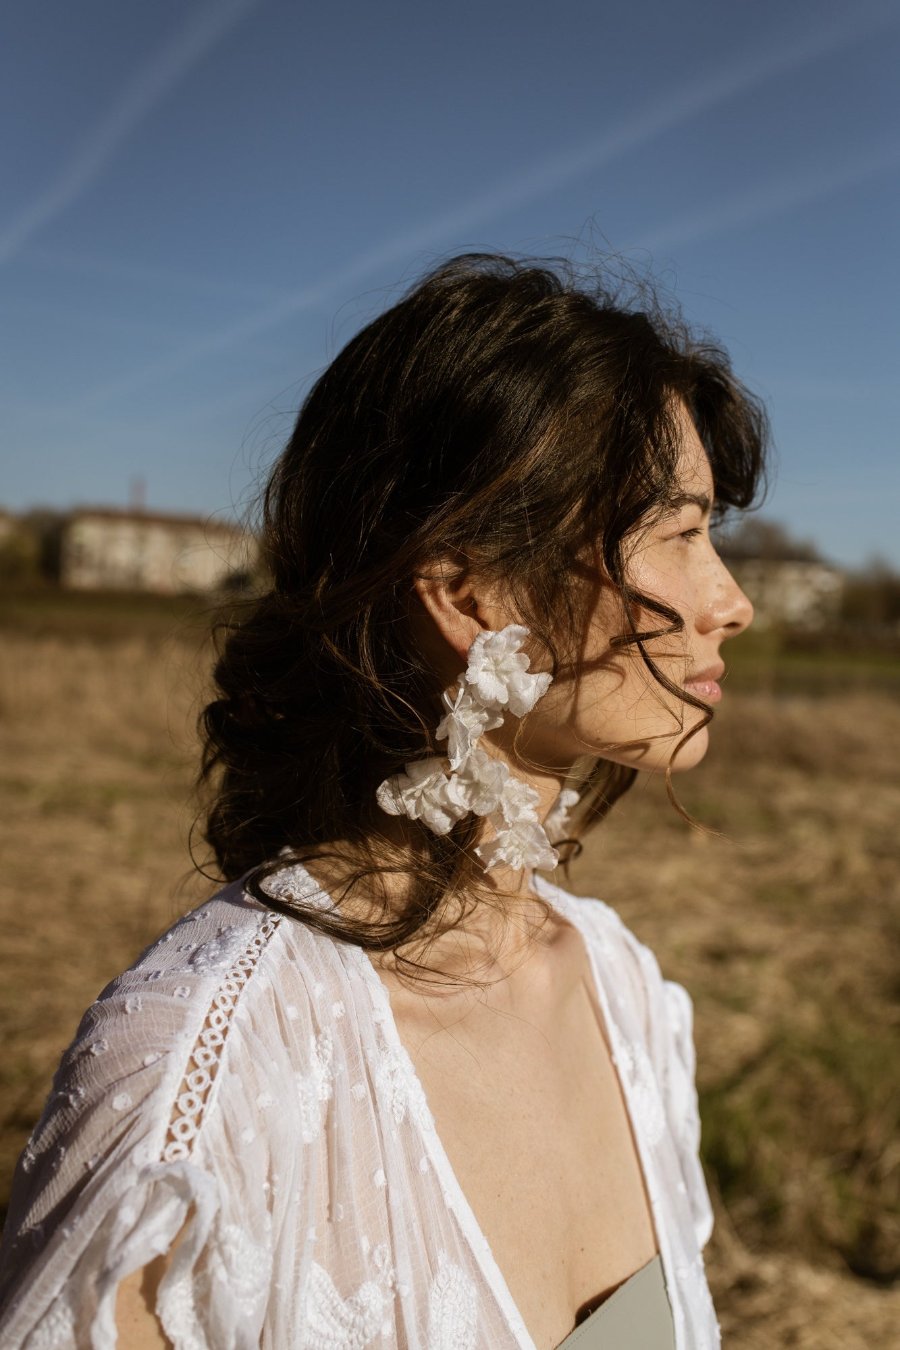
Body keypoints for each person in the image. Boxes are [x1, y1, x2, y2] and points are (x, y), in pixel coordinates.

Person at [0, 254, 767, 1349]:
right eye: (681, 534)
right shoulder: (197, 1084)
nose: (729, 602)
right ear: (468, 594)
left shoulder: (627, 997)